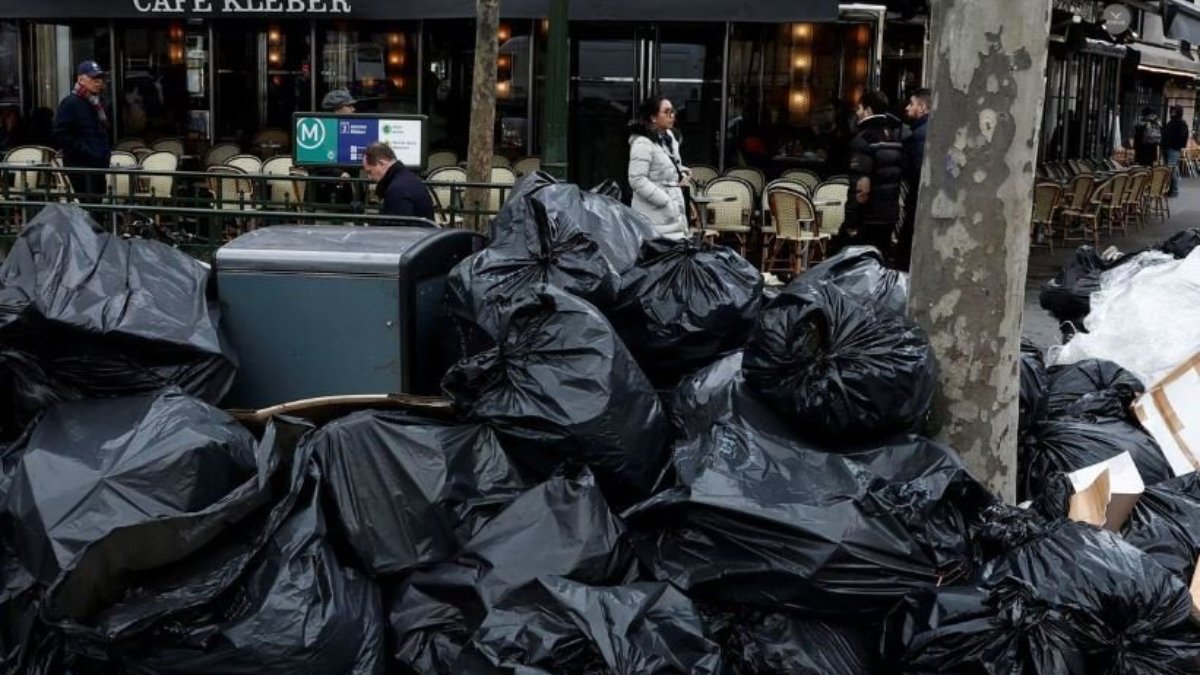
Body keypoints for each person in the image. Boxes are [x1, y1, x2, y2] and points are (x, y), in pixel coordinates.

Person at [840, 89, 904, 260]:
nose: (857, 113)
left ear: (868, 110)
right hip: (889, 214)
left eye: (859, 108)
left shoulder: (863, 140)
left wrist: (851, 220)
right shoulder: (894, 138)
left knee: (859, 268)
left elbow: (861, 186)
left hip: (868, 216)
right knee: (880, 264)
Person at [627, 95, 691, 239]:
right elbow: (637, 179)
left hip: (672, 212)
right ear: (653, 118)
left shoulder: (669, 139)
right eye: (667, 112)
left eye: (673, 111)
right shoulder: (642, 143)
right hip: (653, 215)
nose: (672, 115)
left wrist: (681, 172)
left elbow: (663, 166)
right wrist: (665, 201)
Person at [54, 60, 111, 202]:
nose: (98, 82)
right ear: (81, 79)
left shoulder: (97, 102)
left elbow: (100, 132)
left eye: (100, 78)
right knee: (88, 208)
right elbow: (60, 134)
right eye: (93, 78)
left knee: (97, 207)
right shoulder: (71, 103)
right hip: (80, 167)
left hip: (97, 166)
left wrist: (102, 154)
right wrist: (86, 151)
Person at [897, 88, 930, 270]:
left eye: (911, 104)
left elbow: (916, 171)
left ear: (923, 107)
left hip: (918, 197)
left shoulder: (919, 135)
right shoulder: (928, 132)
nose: (907, 108)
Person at [361, 141, 435, 222]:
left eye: (370, 172)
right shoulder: (409, 178)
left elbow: (396, 231)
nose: (369, 177)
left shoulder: (396, 190)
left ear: (381, 163)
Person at [312, 89, 359, 207]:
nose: (354, 109)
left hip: (350, 200)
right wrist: (339, 173)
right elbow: (313, 164)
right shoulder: (318, 131)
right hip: (324, 199)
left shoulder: (352, 129)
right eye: (349, 106)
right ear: (337, 109)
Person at [1163, 105, 1189, 198]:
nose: (1172, 113)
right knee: (1171, 169)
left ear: (1178, 112)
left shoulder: (1180, 123)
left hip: (1173, 149)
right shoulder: (1172, 122)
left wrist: (1175, 144)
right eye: (1171, 111)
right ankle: (1171, 189)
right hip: (1169, 148)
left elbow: (1183, 137)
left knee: (1172, 169)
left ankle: (1174, 190)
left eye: (1174, 111)